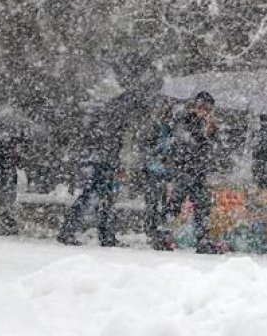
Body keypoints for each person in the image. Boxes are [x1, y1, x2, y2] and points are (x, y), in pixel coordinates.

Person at [58, 85, 156, 246]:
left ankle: (96, 233)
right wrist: (115, 164)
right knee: (94, 196)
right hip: (99, 161)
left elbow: (108, 143)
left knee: (99, 197)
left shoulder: (112, 113)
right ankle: (82, 232)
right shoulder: (114, 115)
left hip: (98, 160)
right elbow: (109, 143)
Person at [167, 92, 222, 253]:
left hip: (199, 171)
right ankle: (164, 235)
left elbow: (212, 146)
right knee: (175, 204)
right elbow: (186, 141)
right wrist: (203, 130)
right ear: (196, 106)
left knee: (203, 206)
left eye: (208, 108)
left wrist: (212, 130)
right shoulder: (185, 119)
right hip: (184, 169)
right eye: (202, 107)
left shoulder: (207, 123)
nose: (205, 111)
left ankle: (203, 240)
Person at [139, 102, 176, 249]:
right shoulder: (154, 128)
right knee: (153, 202)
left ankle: (160, 233)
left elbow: (171, 150)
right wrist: (158, 153)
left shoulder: (169, 130)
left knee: (162, 202)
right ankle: (152, 232)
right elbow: (146, 148)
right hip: (153, 169)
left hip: (164, 171)